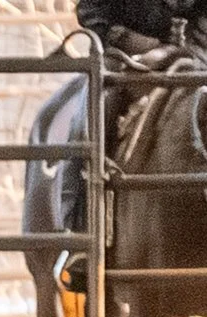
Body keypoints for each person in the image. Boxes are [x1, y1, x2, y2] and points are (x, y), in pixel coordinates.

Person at [57, 0, 207, 289]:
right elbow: (91, 10)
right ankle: (79, 233)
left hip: (198, 57)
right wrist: (135, 40)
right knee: (95, 114)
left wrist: (192, 45)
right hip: (128, 57)